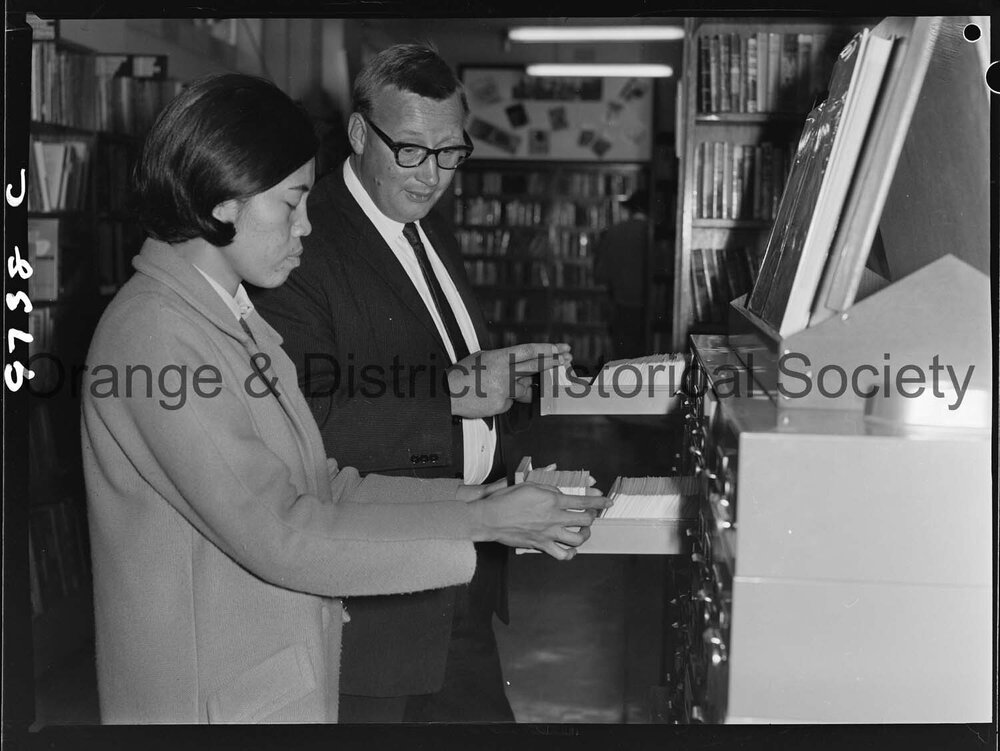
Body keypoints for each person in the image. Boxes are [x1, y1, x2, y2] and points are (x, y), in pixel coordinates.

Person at [80, 73, 610, 724]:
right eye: (291, 203)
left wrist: (483, 501)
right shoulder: (156, 336)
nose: (307, 226)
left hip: (267, 685)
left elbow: (323, 484)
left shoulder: (230, 316)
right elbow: (282, 531)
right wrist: (487, 524)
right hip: (214, 704)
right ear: (224, 202)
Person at [250, 44, 565, 723]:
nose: (434, 175)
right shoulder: (302, 241)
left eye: (451, 153)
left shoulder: (424, 221)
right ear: (361, 133)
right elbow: (303, 420)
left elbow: (447, 364)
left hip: (460, 575)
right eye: (412, 151)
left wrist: (510, 406)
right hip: (377, 613)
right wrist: (453, 392)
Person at [594, 189, 650, 360]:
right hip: (651, 310)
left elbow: (600, 274)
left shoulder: (614, 232)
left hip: (620, 307)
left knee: (623, 361)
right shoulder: (653, 233)